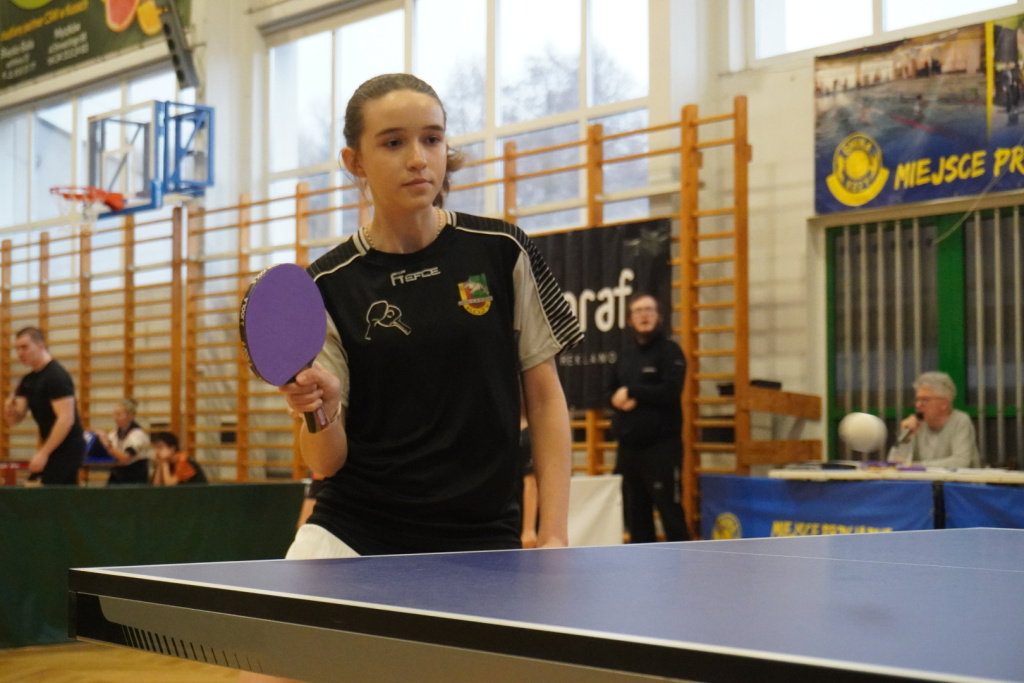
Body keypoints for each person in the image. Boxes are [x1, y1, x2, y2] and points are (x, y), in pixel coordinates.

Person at [279, 73, 583, 560]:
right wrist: (323, 409)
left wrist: (554, 535)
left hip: (482, 539)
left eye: (432, 139)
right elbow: (326, 463)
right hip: (354, 532)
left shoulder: (503, 251)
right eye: (394, 142)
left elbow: (546, 401)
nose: (418, 158)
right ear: (355, 162)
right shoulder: (326, 286)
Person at [607, 294, 689, 543]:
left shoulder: (670, 351)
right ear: (630, 320)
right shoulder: (625, 355)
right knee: (635, 515)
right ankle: (642, 565)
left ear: (659, 317)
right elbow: (610, 391)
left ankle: (686, 562)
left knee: (670, 512)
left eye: (649, 310)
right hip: (629, 449)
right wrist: (616, 399)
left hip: (661, 448)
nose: (644, 315)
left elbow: (670, 390)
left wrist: (633, 392)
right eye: (638, 311)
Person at [3, 327, 85, 485]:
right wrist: (9, 410)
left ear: (40, 346)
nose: (20, 353)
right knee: (51, 494)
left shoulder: (56, 376)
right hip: (52, 446)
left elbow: (66, 420)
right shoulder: (28, 380)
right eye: (17, 349)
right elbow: (13, 420)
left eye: (24, 347)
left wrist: (43, 453)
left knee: (45, 493)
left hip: (68, 447)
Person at [888, 371, 981, 469]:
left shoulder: (960, 421)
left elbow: (961, 461)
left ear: (944, 403)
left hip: (955, 478)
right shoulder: (915, 423)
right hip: (921, 478)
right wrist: (905, 439)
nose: (918, 405)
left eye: (925, 400)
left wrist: (916, 466)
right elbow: (894, 464)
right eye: (917, 400)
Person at [99, 398, 150, 484]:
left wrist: (107, 445)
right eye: (115, 414)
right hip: (117, 477)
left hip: (135, 480)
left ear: (131, 416)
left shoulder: (138, 435)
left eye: (119, 415)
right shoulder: (113, 434)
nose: (115, 418)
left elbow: (125, 458)